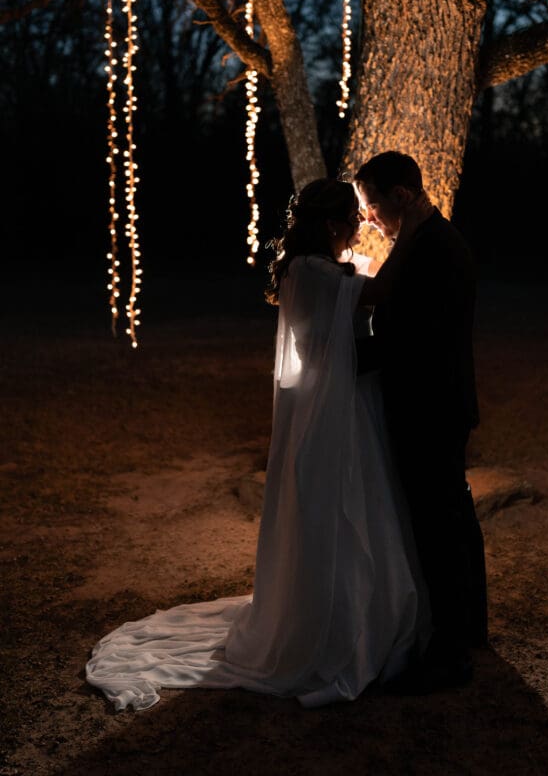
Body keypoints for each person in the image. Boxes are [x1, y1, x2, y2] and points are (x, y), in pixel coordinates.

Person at [86, 178, 431, 710]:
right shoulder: (316, 274)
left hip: (335, 399)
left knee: (346, 507)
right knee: (339, 508)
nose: (357, 231)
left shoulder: (305, 270)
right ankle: (338, 626)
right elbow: (380, 295)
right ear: (334, 224)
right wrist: (410, 230)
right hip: (333, 406)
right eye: (351, 221)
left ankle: (351, 609)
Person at [354, 151, 488, 692]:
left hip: (430, 407)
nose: (368, 218)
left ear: (402, 197)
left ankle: (450, 653)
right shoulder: (428, 242)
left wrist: (345, 361)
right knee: (451, 515)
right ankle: (468, 631)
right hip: (438, 402)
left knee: (437, 524)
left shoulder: (434, 250)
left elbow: (413, 338)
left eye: (372, 205)